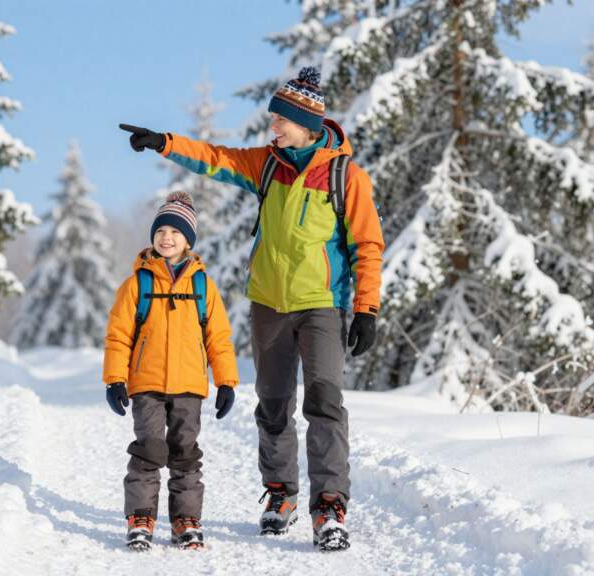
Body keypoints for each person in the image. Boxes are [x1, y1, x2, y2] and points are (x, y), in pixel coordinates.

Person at [119, 66, 384, 552]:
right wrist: (164, 142)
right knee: (274, 403)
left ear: (305, 123)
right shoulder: (266, 164)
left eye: (280, 122)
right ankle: (280, 493)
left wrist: (366, 308)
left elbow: (367, 244)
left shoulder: (346, 176)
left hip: (322, 304)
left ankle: (329, 505)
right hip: (268, 303)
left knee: (325, 402)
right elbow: (214, 158)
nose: (272, 129)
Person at [103, 191, 239, 551]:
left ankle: (186, 520)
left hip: (189, 387)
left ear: (188, 239)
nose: (167, 237)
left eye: (175, 232)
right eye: (161, 230)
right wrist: (115, 378)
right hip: (146, 383)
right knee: (148, 450)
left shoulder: (202, 286)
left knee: (185, 453)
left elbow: (219, 338)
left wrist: (226, 381)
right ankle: (141, 517)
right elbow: (118, 336)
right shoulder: (138, 284)